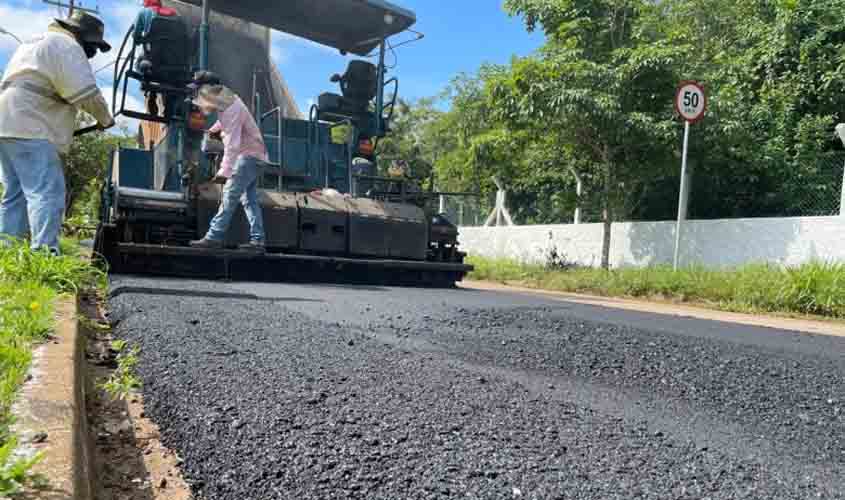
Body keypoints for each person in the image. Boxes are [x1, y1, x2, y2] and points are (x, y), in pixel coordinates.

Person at [0, 11, 115, 254]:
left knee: (16, 195)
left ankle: (8, 253)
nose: (92, 52)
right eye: (93, 46)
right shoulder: (67, 45)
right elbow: (86, 93)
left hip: (8, 123)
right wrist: (105, 119)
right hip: (33, 125)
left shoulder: (34, 42)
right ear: (81, 35)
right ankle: (44, 254)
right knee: (46, 193)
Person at [189, 83, 268, 252]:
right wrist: (213, 130)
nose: (201, 107)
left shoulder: (232, 109)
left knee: (229, 195)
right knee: (249, 200)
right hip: (257, 156)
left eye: (201, 102)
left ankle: (213, 237)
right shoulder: (228, 105)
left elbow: (232, 145)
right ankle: (258, 241)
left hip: (248, 156)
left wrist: (224, 172)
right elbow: (224, 122)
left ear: (209, 98)